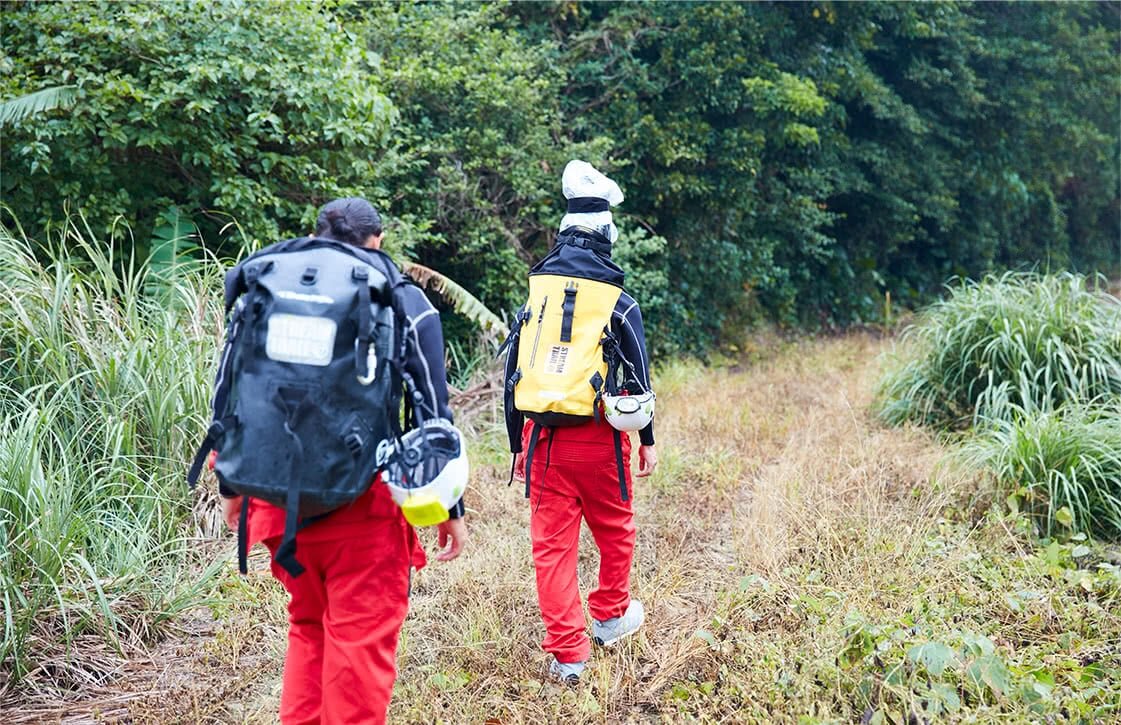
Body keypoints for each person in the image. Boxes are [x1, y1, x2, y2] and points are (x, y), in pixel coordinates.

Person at [217, 197, 468, 724]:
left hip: (277, 498)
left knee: (308, 625)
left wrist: (232, 486)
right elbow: (433, 416)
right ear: (375, 241)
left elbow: (232, 390)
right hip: (363, 510)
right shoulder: (401, 296)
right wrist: (450, 509)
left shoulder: (273, 284)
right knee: (358, 641)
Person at [503, 161, 657, 684]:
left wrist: (514, 443)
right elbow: (638, 376)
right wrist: (647, 440)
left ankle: (568, 655)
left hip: (540, 435)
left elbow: (512, 370)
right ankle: (611, 616)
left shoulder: (537, 291)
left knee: (551, 548)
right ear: (607, 234)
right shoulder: (618, 300)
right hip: (599, 438)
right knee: (615, 530)